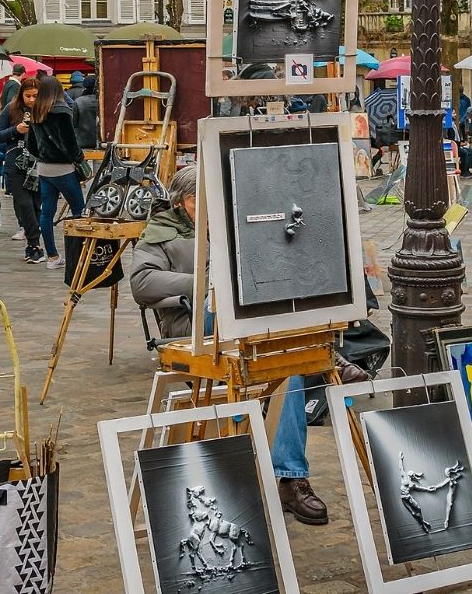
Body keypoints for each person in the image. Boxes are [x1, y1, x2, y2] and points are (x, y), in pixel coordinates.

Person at [129, 166, 328, 526]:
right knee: (271, 343)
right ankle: (328, 359)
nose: (204, 209)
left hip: (243, 326)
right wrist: (205, 283)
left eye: (209, 201)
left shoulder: (231, 225)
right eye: (195, 201)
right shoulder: (162, 233)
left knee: (289, 371)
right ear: (179, 201)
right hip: (194, 327)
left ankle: (290, 477)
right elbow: (142, 283)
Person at [27, 75, 86, 269]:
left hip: (44, 168)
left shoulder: (36, 111)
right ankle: (78, 255)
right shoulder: (61, 111)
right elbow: (70, 142)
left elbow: (31, 145)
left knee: (47, 212)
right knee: (79, 209)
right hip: (63, 168)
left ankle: (52, 256)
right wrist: (78, 157)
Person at [0, 78, 44, 263]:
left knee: (36, 205)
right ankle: (34, 244)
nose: (31, 100)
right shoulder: (11, 109)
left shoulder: (46, 109)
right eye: (28, 96)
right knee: (24, 204)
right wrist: (15, 130)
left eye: (35, 96)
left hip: (38, 163)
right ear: (21, 95)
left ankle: (34, 243)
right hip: (16, 163)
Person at [72, 74, 101, 149]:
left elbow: (74, 123)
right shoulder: (102, 102)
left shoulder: (78, 101)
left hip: (82, 141)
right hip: (100, 141)